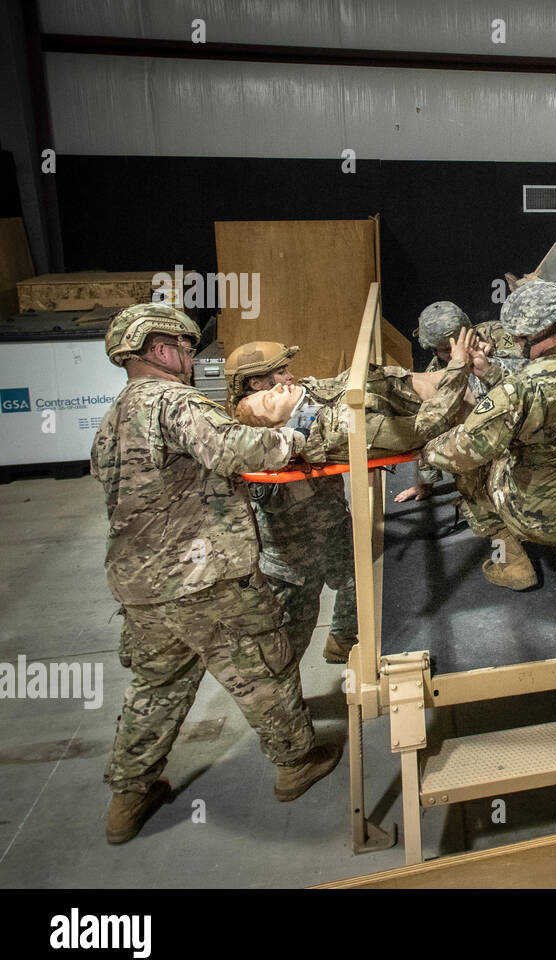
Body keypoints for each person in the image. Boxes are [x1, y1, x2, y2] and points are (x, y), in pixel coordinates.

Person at [91, 304, 340, 845]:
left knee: (155, 688)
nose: (187, 358)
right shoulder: (173, 401)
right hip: (204, 576)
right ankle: (297, 761)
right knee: (262, 669)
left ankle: (128, 796)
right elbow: (234, 447)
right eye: (183, 348)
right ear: (160, 350)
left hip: (141, 586)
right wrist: (294, 439)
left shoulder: (112, 420)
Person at [421, 279, 556, 618]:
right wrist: (490, 372)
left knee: (470, 478)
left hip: (534, 512)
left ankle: (509, 560)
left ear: (527, 337)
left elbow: (461, 450)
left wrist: (428, 449)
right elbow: (545, 399)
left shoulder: (518, 390)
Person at [226, 341, 357, 664]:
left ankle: (342, 640)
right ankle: (283, 703)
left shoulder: (291, 407)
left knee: (359, 587)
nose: (290, 377)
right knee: (290, 635)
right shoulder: (251, 427)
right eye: (280, 372)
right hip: (292, 557)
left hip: (332, 524)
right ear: (256, 383)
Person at [395, 298, 526, 503]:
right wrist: (425, 483)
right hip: (480, 438)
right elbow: (432, 428)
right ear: (434, 350)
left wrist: (492, 359)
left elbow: (534, 374)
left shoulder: (497, 334)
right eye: (447, 350)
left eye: (461, 343)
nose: (456, 352)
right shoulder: (436, 372)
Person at [232, 357, 471, 461]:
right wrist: (458, 367)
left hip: (439, 393)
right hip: (451, 411)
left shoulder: (310, 405)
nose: (280, 388)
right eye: (269, 401)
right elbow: (424, 429)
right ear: (280, 425)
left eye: (269, 391)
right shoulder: (342, 425)